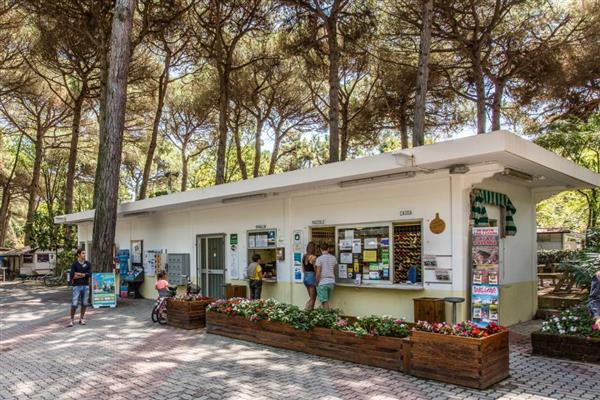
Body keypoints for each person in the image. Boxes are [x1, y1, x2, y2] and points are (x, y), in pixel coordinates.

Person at [69, 248, 92, 327]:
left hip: (86, 286)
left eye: (85, 253)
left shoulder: (88, 264)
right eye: (83, 253)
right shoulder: (74, 264)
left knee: (84, 303)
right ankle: (71, 320)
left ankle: (81, 319)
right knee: (74, 304)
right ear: (78, 254)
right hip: (77, 286)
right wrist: (84, 275)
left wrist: (79, 274)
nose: (84, 255)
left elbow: (90, 274)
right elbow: (72, 276)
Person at [315, 243, 337, 310]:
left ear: (320, 249)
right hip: (331, 282)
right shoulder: (333, 258)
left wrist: (317, 283)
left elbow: (318, 273)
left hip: (323, 282)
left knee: (324, 301)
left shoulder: (319, 259)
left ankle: (327, 315)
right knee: (325, 301)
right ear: (328, 249)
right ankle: (325, 314)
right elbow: (334, 271)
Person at [302, 242, 317, 310]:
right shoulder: (313, 257)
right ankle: (306, 310)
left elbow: (303, 269)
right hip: (311, 276)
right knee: (312, 298)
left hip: (305, 277)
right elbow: (315, 268)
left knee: (312, 297)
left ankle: (311, 311)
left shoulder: (304, 256)